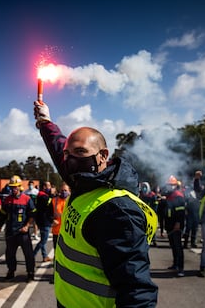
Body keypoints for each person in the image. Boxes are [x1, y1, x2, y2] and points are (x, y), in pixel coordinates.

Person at [34, 100, 158, 307]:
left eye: (80, 152)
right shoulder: (83, 180)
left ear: (103, 156)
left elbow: (136, 289)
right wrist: (45, 122)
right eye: (68, 154)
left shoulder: (117, 210)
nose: (71, 159)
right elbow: (58, 147)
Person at [0, 175, 36, 282]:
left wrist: (27, 226)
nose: (13, 189)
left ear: (20, 187)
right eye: (12, 187)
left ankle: (30, 273)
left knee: (28, 254)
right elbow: (3, 215)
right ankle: (11, 271)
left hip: (22, 232)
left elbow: (32, 215)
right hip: (10, 232)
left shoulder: (27, 199)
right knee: (9, 254)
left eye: (15, 187)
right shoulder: (7, 200)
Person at [163, 175, 186, 277]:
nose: (170, 187)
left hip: (176, 226)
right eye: (169, 185)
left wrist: (178, 224)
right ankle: (175, 264)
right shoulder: (168, 196)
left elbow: (181, 213)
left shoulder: (178, 196)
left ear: (175, 185)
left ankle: (180, 268)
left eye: (172, 185)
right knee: (173, 246)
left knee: (178, 247)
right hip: (169, 225)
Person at [33, 181, 54, 262]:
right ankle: (32, 255)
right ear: (44, 187)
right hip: (45, 221)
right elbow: (48, 203)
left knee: (43, 240)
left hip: (42, 220)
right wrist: (51, 195)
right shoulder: (43, 196)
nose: (50, 188)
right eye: (48, 186)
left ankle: (44, 256)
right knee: (43, 241)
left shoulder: (41, 195)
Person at [139, 182, 158, 247]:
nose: (144, 189)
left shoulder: (152, 195)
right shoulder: (140, 195)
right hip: (143, 213)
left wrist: (153, 212)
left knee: (152, 227)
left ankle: (154, 240)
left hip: (151, 213)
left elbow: (155, 205)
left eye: (145, 187)